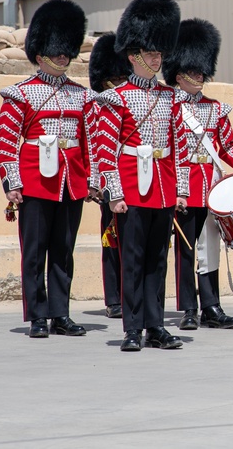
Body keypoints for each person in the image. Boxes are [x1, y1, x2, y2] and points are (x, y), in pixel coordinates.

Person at [0, 0, 95, 338]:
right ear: (40, 54)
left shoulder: (82, 96)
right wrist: (12, 182)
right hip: (36, 181)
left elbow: (90, 141)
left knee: (63, 252)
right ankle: (37, 315)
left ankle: (60, 313)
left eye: (66, 51)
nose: (63, 57)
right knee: (35, 251)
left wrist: (94, 181)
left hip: (71, 180)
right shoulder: (20, 94)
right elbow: (7, 142)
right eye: (56, 51)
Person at [96, 0, 188, 352]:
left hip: (162, 186)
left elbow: (178, 147)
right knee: (131, 260)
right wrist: (115, 193)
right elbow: (106, 151)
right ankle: (131, 327)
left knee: (157, 261)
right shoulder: (114, 98)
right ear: (135, 57)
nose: (157, 59)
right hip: (132, 186)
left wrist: (179, 189)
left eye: (159, 53)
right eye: (151, 54)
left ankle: (154, 325)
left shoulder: (171, 97)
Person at [163, 18, 233, 332]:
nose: (199, 76)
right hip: (183, 188)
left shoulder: (215, 108)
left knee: (210, 249)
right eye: (193, 71)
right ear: (178, 74)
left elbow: (227, 147)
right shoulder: (167, 106)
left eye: (201, 71)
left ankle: (211, 305)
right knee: (185, 250)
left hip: (211, 187)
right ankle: (188, 308)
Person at [87, 33, 131, 320]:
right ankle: (114, 297)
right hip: (109, 180)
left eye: (120, 78)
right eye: (111, 79)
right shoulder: (94, 105)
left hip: (135, 176)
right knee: (112, 239)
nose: (116, 84)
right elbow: (93, 146)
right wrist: (95, 182)